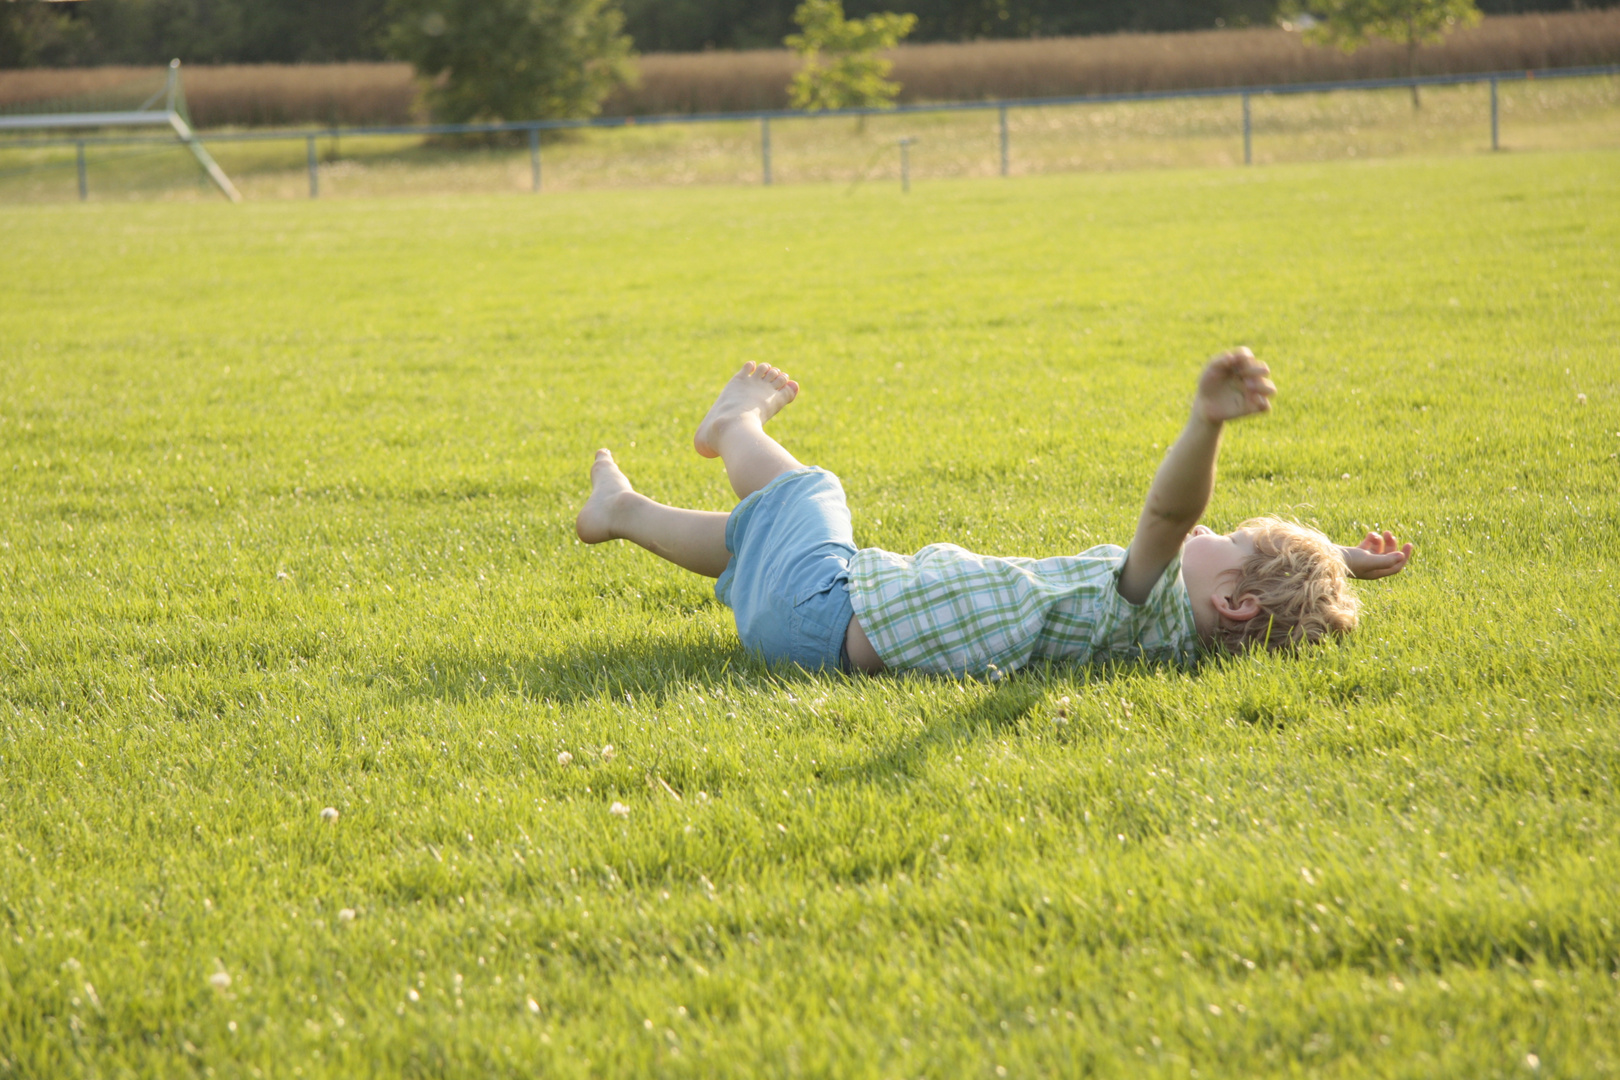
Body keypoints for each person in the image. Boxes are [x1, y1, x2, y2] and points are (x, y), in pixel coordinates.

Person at [575, 350, 1412, 677]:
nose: (1204, 528)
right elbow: (1233, 562)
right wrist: (1339, 559)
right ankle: (621, 510)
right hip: (812, 641)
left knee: (808, 494)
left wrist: (1206, 423)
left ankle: (733, 426)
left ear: (1231, 602)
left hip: (824, 613)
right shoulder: (1169, 642)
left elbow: (1168, 511)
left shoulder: (1146, 594)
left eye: (1220, 540)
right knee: (749, 540)